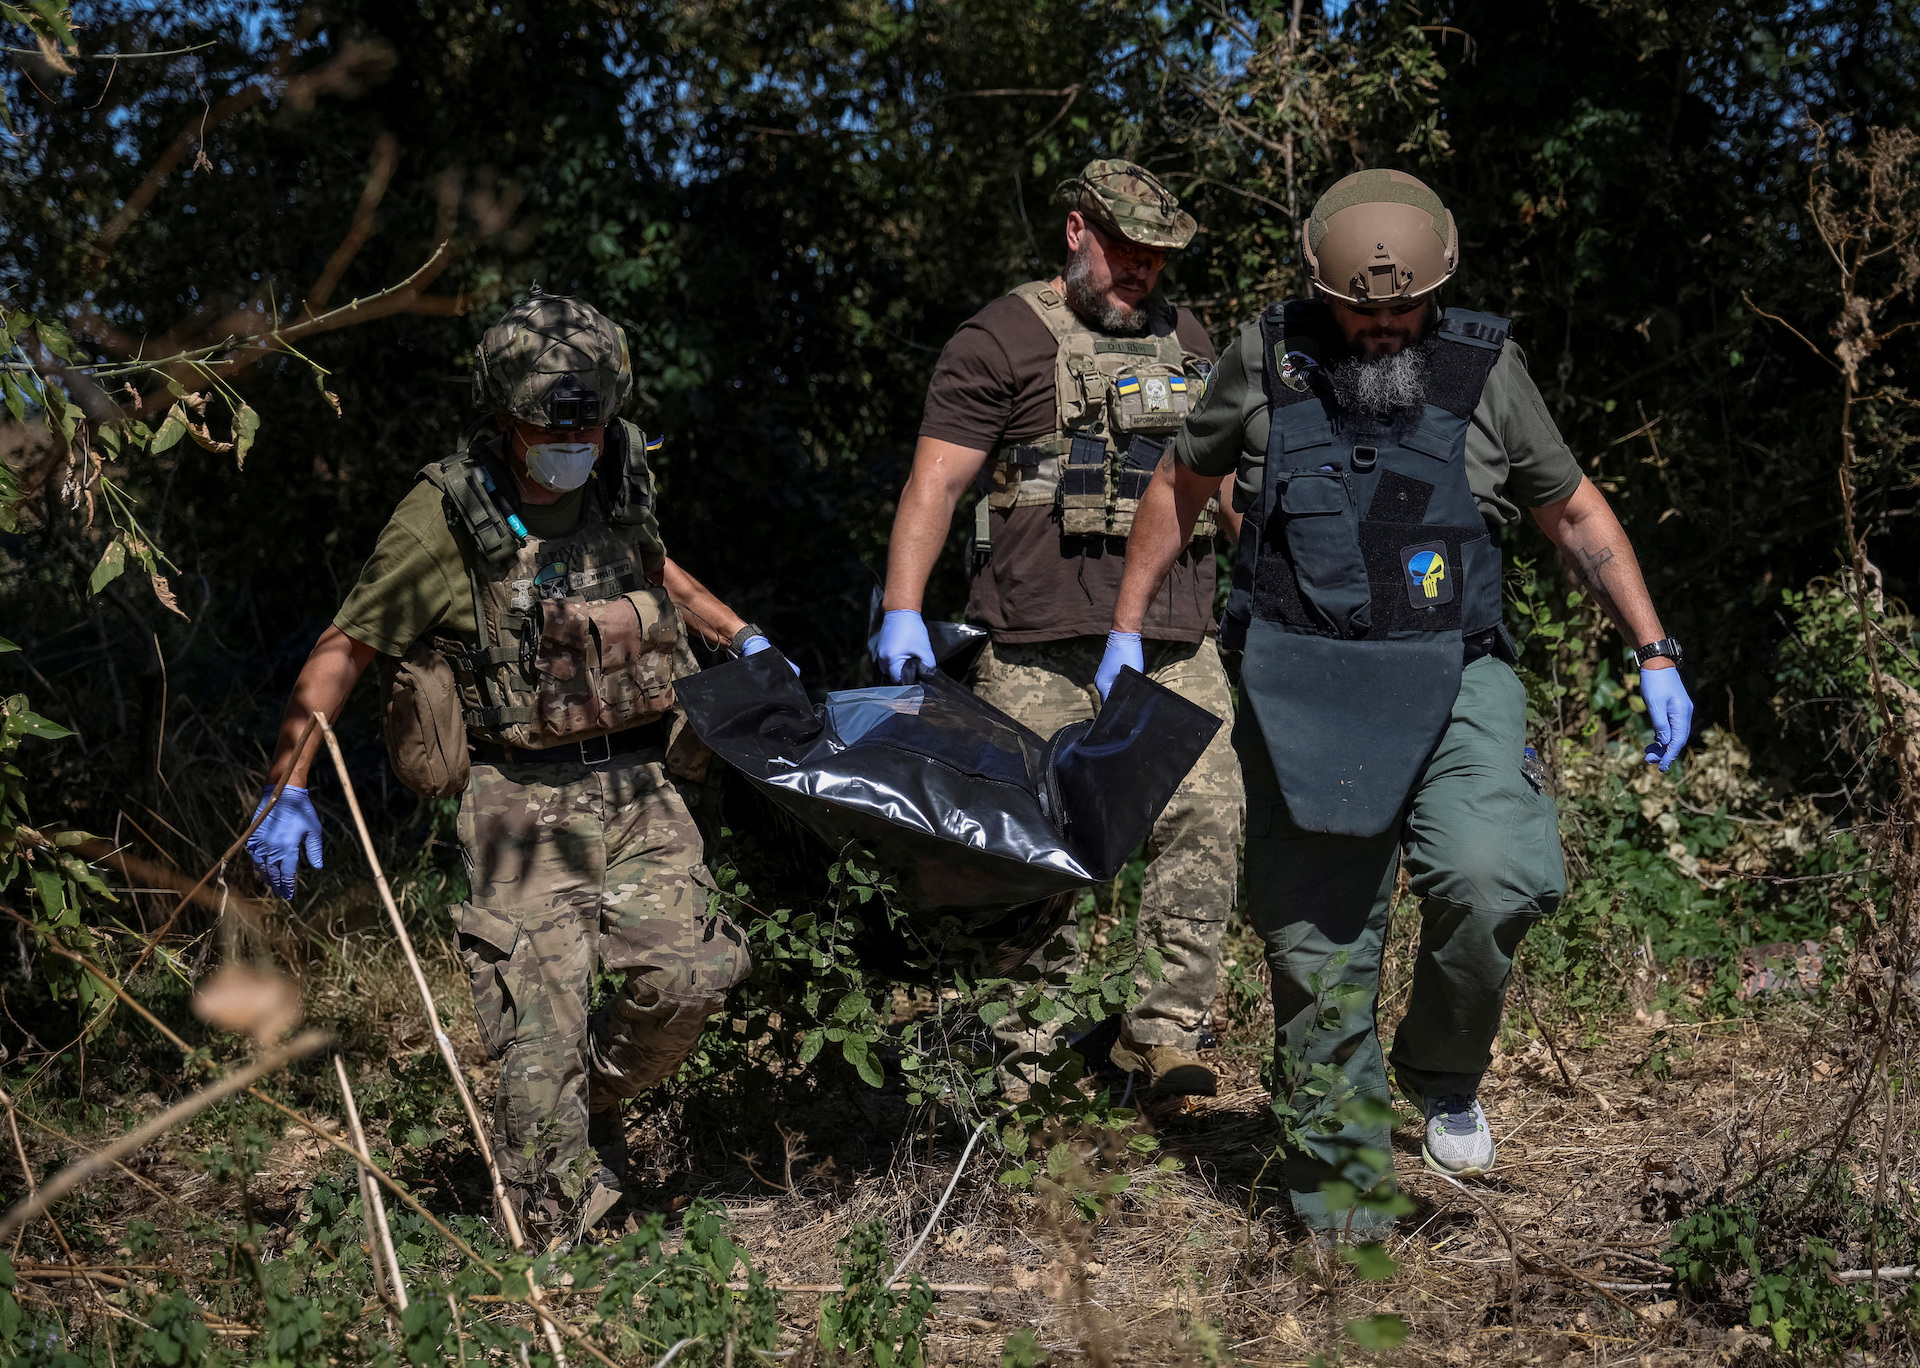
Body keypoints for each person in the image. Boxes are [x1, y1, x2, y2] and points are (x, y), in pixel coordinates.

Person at [1103, 169, 1693, 1235]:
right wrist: (1124, 630)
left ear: (1438, 288)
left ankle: (1444, 1070)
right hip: (1301, 679)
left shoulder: (1485, 367)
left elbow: (1574, 514)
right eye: (1363, 309)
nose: (1384, 326)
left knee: (1493, 869)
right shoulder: (1264, 358)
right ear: (1325, 292)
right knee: (1315, 945)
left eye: (1404, 307)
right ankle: (1344, 1213)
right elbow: (1180, 486)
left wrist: (1654, 650)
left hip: (1457, 671)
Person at [244, 292, 784, 1245]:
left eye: (588, 416)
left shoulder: (619, 467)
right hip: (517, 797)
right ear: (503, 410)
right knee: (541, 1031)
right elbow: (345, 647)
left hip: (638, 780)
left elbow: (653, 569)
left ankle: (583, 1109)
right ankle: (557, 1245)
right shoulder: (444, 514)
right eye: (550, 420)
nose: (573, 435)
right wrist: (288, 787)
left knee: (693, 974)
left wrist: (741, 637)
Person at [875, 160, 1245, 1100]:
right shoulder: (998, 338)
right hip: (1034, 643)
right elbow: (938, 483)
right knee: (1037, 851)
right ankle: (1031, 1062)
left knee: (1205, 823)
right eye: (1125, 250)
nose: (1141, 272)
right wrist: (903, 608)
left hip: (1174, 639)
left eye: (1157, 259)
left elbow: (1227, 491)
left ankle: (1161, 1039)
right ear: (1077, 231)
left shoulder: (1191, 341)